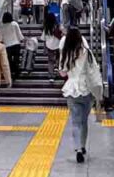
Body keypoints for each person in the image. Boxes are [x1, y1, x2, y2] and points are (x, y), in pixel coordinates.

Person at [57, 25, 101, 163]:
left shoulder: (65, 53)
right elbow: (93, 70)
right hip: (86, 89)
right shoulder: (86, 52)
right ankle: (83, 145)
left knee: (75, 121)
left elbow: (62, 72)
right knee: (84, 120)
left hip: (71, 89)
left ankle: (78, 149)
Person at [0, 11, 24, 81]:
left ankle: (10, 73)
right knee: (16, 59)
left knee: (9, 60)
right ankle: (17, 73)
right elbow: (19, 34)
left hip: (7, 46)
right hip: (16, 44)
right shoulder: (15, 24)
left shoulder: (2, 26)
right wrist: (22, 39)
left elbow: (0, 38)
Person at [43, 11, 64, 82]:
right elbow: (63, 33)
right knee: (58, 59)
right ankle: (58, 71)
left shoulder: (46, 28)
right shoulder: (58, 26)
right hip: (58, 45)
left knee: (50, 61)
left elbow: (43, 38)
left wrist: (44, 48)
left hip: (49, 46)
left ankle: (51, 75)